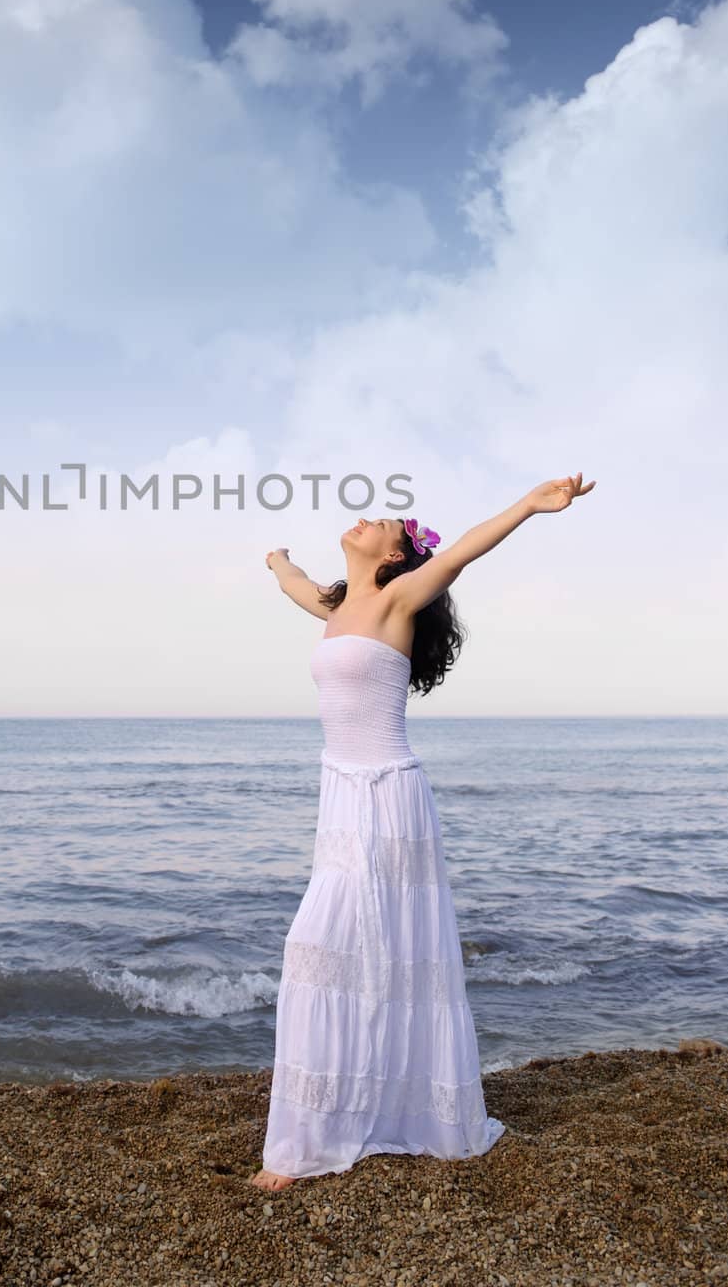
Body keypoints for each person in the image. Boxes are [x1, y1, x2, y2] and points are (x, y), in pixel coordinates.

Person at [250, 473, 597, 1191]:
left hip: (387, 799)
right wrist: (277, 560)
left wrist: (532, 505)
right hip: (342, 799)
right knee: (349, 949)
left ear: (395, 557)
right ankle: (345, 1116)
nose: (367, 517)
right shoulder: (337, 605)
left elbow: (462, 552)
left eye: (385, 521)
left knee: (323, 945)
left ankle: (307, 1144)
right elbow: (296, 587)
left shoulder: (401, 598)